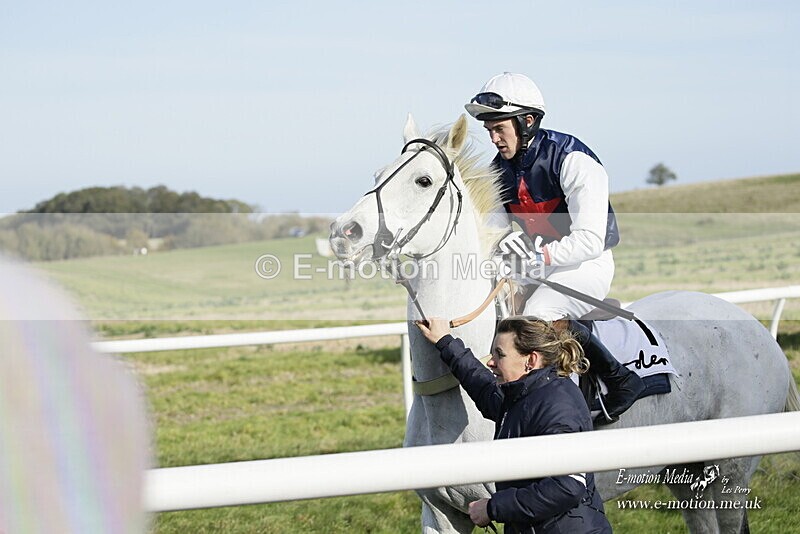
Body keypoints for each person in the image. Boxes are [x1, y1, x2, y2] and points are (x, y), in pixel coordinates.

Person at [464, 72, 644, 424]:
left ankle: (618, 378)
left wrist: (536, 258)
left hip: (587, 264)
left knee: (537, 314)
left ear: (527, 121)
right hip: (540, 264)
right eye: (489, 130)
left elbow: (590, 239)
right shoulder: (497, 171)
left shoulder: (574, 159)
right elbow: (496, 233)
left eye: (500, 128)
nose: (494, 138)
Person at [417, 316, 612, 534]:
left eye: (499, 355)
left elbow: (567, 487)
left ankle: (623, 381)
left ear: (531, 360)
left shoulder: (559, 406)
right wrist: (445, 341)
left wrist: (492, 509)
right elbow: (482, 384)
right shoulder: (522, 393)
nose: (491, 362)